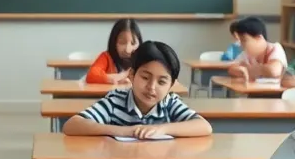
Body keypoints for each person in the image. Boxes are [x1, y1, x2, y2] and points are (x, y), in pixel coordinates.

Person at [64, 41, 212, 138]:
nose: (151, 87)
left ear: (171, 85)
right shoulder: (116, 101)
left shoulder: (169, 103)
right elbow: (72, 125)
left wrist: (162, 129)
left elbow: (204, 127)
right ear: (132, 75)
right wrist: (124, 131)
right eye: (145, 78)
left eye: (161, 81)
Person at [84, 18, 142, 85]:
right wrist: (120, 76)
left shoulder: (143, 60)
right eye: (122, 42)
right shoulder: (106, 57)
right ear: (114, 42)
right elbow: (91, 75)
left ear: (140, 43)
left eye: (133, 43)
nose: (127, 50)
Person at [227, 16, 286, 81]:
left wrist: (247, 69)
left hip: (275, 90)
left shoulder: (275, 48)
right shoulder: (246, 54)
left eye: (244, 40)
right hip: (255, 90)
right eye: (241, 41)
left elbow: (273, 71)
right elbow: (232, 70)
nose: (241, 44)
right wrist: (258, 70)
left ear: (259, 38)